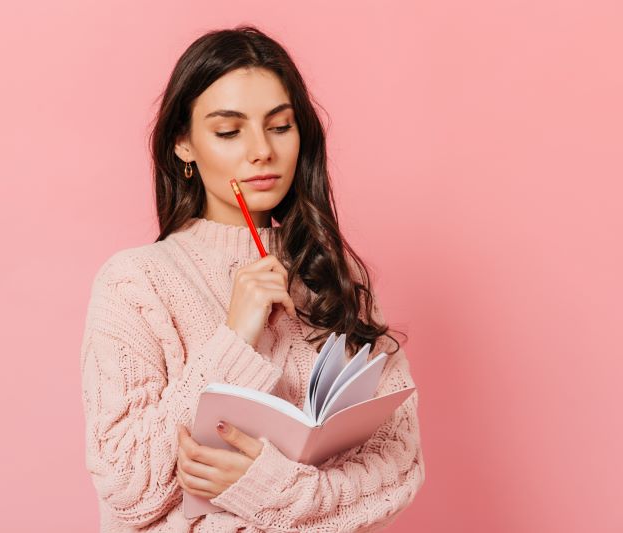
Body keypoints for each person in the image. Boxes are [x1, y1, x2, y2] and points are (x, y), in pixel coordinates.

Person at [80, 25, 425, 532]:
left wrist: (270, 487)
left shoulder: (332, 276)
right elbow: (126, 487)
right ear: (183, 144)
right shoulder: (135, 282)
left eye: (280, 127)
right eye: (228, 131)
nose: (262, 150)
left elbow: (399, 467)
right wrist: (235, 340)